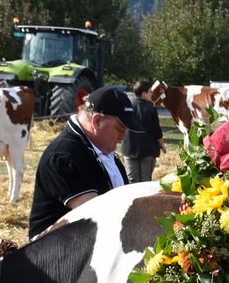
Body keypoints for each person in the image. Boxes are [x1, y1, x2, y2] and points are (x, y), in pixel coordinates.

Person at [28, 85, 144, 239]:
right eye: (120, 129)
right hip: (53, 249)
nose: (123, 137)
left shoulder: (103, 151)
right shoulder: (64, 156)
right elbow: (98, 214)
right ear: (97, 121)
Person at [122, 80, 165, 183]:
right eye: (150, 92)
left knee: (132, 180)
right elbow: (156, 131)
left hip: (130, 149)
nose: (151, 94)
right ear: (143, 93)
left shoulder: (127, 107)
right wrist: (162, 145)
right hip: (148, 150)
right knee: (145, 181)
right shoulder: (151, 109)